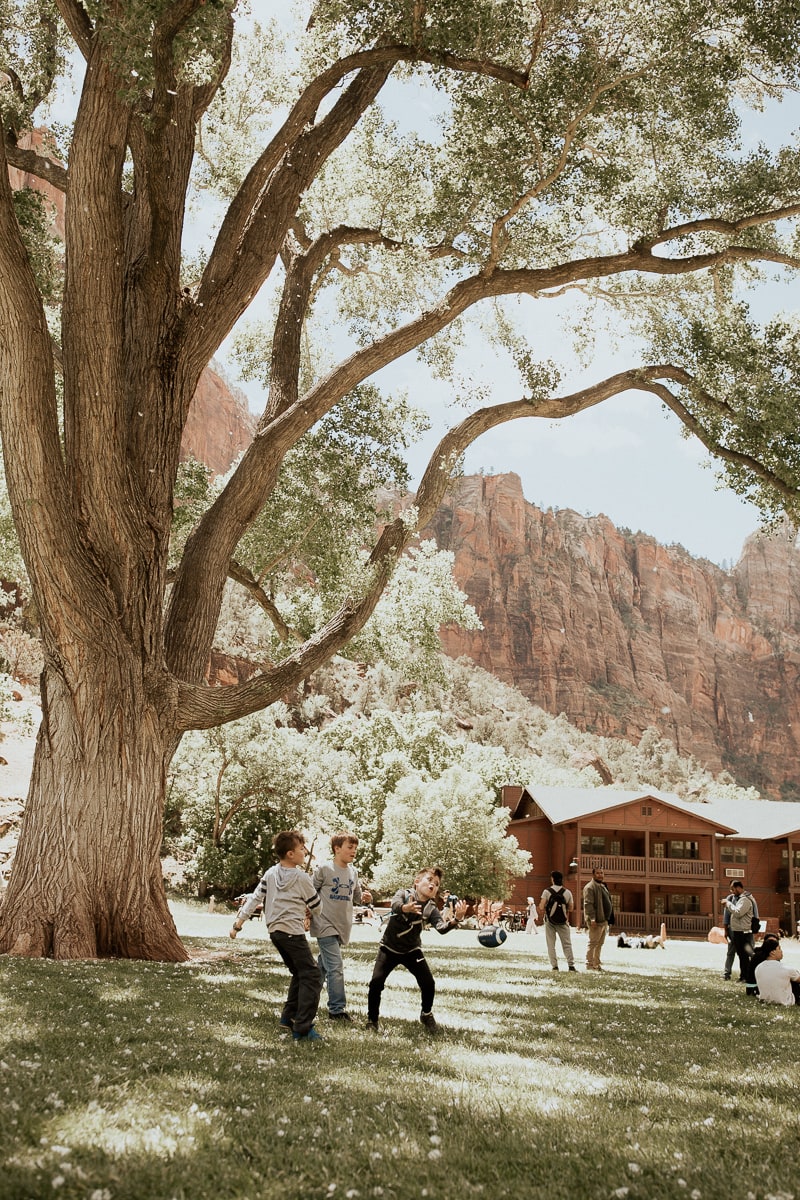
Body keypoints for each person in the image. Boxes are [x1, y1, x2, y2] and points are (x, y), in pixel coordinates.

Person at [230, 829, 324, 1042]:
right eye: (301, 849)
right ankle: (302, 1027)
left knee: (300, 972)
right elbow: (317, 907)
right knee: (312, 975)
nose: (305, 853)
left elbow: (255, 898)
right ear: (291, 854)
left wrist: (238, 923)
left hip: (276, 933)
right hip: (293, 932)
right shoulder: (302, 877)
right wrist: (311, 909)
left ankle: (287, 1019)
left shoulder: (270, 873)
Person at [366, 866, 467, 1034]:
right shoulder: (404, 894)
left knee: (428, 983)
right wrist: (406, 908)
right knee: (376, 983)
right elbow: (395, 905)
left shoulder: (431, 908)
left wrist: (456, 919)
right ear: (417, 882)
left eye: (436, 884)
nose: (432, 885)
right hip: (389, 948)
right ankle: (372, 1020)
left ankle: (426, 1014)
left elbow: (441, 928)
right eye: (429, 880)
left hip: (412, 951)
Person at [309, 831, 372, 1023]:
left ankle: (304, 1001)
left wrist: (365, 899)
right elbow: (309, 891)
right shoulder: (324, 869)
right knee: (336, 967)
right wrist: (306, 913)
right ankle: (337, 1010)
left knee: (321, 968)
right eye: (349, 847)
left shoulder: (353, 872)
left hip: (342, 925)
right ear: (337, 849)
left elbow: (356, 897)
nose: (354, 851)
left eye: (355, 848)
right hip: (324, 923)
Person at [723, 879, 758, 993]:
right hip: (739, 932)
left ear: (738, 888)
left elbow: (738, 912)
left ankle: (747, 977)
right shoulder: (741, 899)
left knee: (745, 955)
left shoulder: (745, 899)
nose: (732, 891)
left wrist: (728, 904)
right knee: (741, 955)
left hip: (744, 933)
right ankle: (744, 976)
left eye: (733, 889)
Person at [537, 870, 576, 970]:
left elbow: (541, 906)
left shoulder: (547, 891)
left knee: (551, 944)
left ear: (552, 879)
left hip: (549, 921)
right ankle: (571, 965)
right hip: (563, 921)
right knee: (567, 944)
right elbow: (571, 908)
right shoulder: (567, 892)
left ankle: (555, 966)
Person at [753, 935, 800, 1005]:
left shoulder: (758, 967)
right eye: (779, 949)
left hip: (765, 1000)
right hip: (785, 1001)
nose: (781, 951)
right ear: (772, 952)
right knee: (794, 979)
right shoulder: (785, 968)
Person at [583, 866, 614, 971]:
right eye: (598, 873)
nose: (600, 875)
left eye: (602, 873)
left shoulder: (602, 886)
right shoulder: (590, 887)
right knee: (593, 943)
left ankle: (596, 963)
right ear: (593, 875)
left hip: (604, 920)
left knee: (600, 944)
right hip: (595, 921)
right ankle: (589, 964)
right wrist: (592, 918)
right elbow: (588, 904)